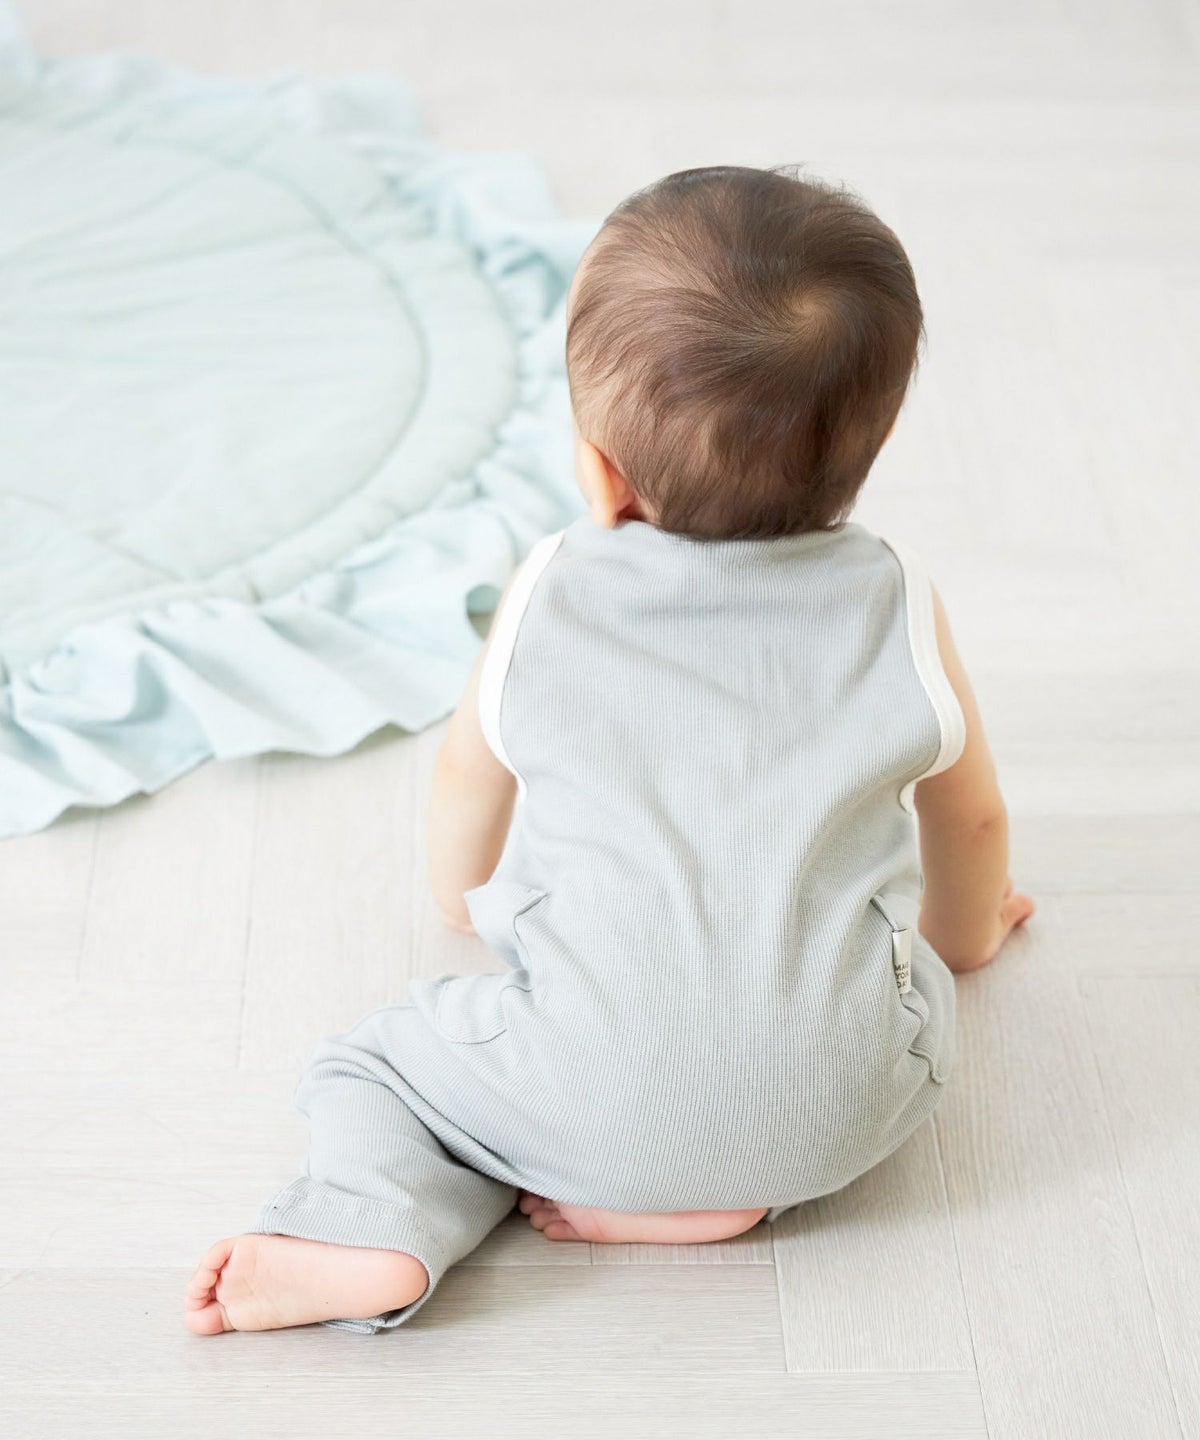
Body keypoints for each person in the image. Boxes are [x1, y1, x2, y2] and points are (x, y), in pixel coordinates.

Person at [184, 164, 1035, 1336]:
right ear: (872, 446)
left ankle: (374, 1222)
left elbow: (468, 774)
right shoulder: (896, 597)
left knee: (372, 1069)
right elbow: (970, 818)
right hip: (840, 1110)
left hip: (583, 1080)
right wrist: (964, 944)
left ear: (599, 470)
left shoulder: (552, 589)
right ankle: (725, 1200)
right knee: (900, 991)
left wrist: (460, 901)